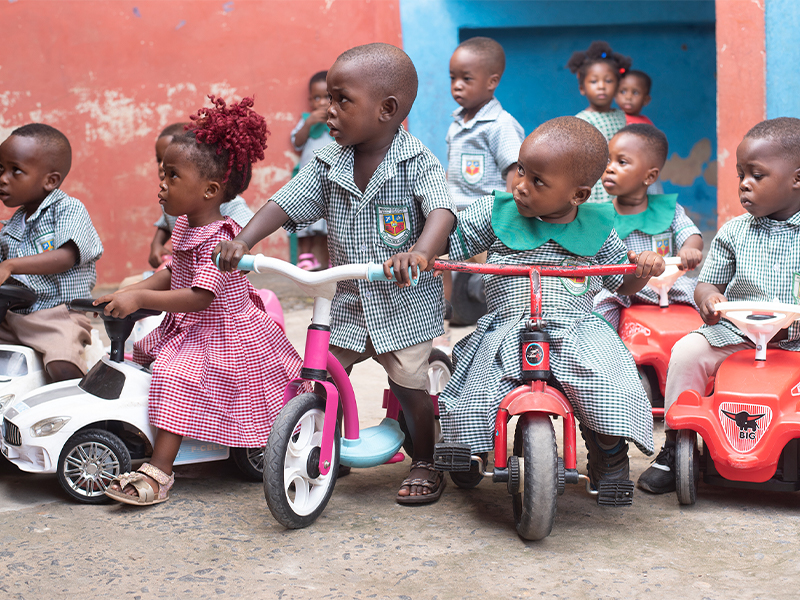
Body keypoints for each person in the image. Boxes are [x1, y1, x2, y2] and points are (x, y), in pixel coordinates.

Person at [215, 43, 457, 505]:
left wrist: (421, 252)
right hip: (344, 303)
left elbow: (441, 212)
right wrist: (245, 240)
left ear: (386, 110)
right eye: (329, 98)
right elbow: (284, 203)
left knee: (409, 384)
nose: (329, 110)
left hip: (401, 304)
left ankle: (425, 457)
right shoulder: (327, 161)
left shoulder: (416, 162)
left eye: (342, 100)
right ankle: (327, 446)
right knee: (323, 378)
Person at [438, 117, 664, 486]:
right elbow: (452, 244)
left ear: (578, 195)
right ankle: (469, 448)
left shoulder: (597, 228)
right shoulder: (495, 212)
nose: (521, 186)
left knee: (610, 383)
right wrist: (427, 254)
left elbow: (620, 282)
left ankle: (608, 452)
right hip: (507, 325)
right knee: (474, 388)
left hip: (579, 329)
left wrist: (642, 268)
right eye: (521, 172)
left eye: (537, 181)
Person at [99, 96, 303, 506]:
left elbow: (200, 295)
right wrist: (130, 293)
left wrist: (142, 295)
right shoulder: (190, 226)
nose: (161, 184)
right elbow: (175, 271)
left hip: (224, 332)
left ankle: (159, 473)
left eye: (172, 176)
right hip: (194, 326)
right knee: (135, 356)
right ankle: (137, 435)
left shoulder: (220, 238)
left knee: (176, 377)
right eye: (162, 173)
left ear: (210, 189)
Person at [638, 117, 800, 494]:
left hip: (796, 338)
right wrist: (708, 298)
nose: (744, 183)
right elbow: (709, 282)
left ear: (797, 178)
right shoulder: (734, 232)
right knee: (687, 351)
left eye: (757, 175)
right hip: (738, 333)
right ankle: (676, 445)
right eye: (741, 174)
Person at [0, 123, 103, 382]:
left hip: (58, 316)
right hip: (15, 317)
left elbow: (66, 257)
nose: (3, 178)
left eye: (15, 171)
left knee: (61, 361)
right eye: (0, 168)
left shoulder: (68, 209)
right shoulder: (11, 225)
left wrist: (11, 266)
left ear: (50, 180)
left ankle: (75, 408)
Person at [443, 36, 524, 327]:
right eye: (453, 78)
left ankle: (502, 316)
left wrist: (506, 213)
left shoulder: (500, 124)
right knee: (438, 259)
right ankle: (443, 314)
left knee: (489, 269)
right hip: (455, 212)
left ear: (491, 82)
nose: (457, 85)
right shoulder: (457, 122)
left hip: (485, 214)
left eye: (466, 78)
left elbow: (515, 170)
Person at [594, 124, 703, 329]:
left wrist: (690, 249)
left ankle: (713, 342)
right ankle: (604, 345)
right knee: (598, 306)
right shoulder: (601, 217)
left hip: (669, 284)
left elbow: (689, 233)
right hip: (621, 289)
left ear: (650, 177)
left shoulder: (668, 209)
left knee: (701, 294)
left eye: (622, 162)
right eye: (609, 160)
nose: (609, 168)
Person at [148, 122, 253, 269]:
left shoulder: (228, 206)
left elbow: (248, 224)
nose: (161, 165)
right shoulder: (173, 205)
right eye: (160, 160)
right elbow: (165, 223)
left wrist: (237, 245)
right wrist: (157, 244)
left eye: (173, 171)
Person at [568, 40, 632, 204]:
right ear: (582, 88)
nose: (602, 86)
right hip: (596, 184)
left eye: (608, 81)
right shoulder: (581, 120)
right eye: (594, 81)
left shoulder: (621, 116)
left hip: (621, 178)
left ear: (618, 86)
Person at [290, 70, 333, 270]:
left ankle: (336, 258)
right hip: (308, 181)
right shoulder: (306, 119)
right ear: (310, 100)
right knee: (304, 217)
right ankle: (306, 257)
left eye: (328, 97)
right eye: (317, 98)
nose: (323, 102)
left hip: (332, 180)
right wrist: (308, 123)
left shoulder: (338, 120)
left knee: (332, 221)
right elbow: (297, 142)